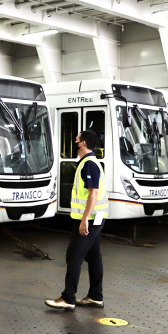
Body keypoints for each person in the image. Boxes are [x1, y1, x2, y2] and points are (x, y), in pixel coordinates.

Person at [46, 130, 108, 311]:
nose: (74, 141)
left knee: (74, 256)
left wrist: (84, 219)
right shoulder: (89, 163)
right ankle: (95, 296)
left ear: (83, 144)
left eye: (76, 139)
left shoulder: (89, 164)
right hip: (96, 218)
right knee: (94, 257)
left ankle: (68, 298)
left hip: (89, 219)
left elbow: (93, 192)